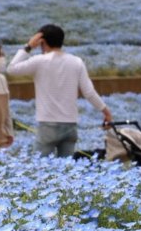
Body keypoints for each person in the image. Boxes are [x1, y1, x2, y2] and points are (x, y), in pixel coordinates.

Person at [7, 24, 112, 158]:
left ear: (41, 41)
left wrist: (28, 46)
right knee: (67, 169)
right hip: (70, 124)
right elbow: (89, 93)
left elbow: (11, 69)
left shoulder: (39, 61)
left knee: (41, 167)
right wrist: (106, 112)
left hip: (48, 124)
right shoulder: (76, 62)